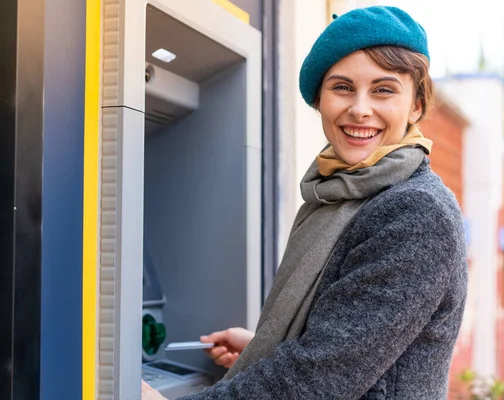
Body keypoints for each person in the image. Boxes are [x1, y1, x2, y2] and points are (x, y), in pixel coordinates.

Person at [143, 5, 468, 399]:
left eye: (383, 90)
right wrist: (263, 348)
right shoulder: (335, 193)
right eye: (342, 87)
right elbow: (349, 349)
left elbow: (318, 380)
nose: (360, 108)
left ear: (416, 104)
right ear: (319, 100)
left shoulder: (414, 213)